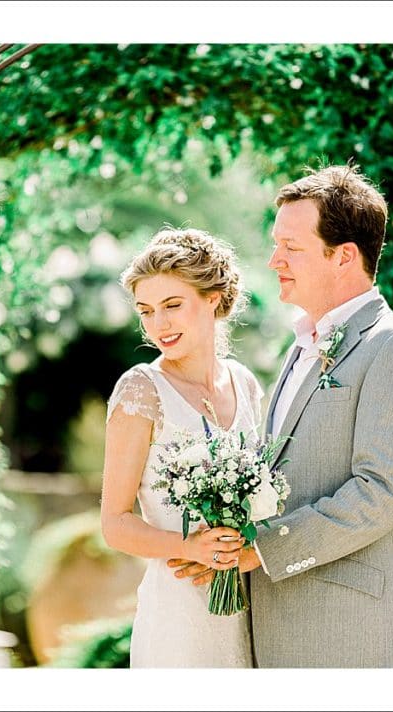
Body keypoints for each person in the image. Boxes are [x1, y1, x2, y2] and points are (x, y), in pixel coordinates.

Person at [168, 164, 393, 667]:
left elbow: (381, 493)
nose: (274, 260)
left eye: (291, 247)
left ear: (343, 256)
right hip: (277, 629)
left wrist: (263, 550)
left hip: (353, 636)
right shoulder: (299, 349)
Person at [100, 227, 265, 667]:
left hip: (253, 607)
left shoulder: (246, 384)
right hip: (178, 617)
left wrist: (250, 546)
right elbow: (114, 523)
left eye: (172, 305)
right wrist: (190, 546)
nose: (159, 325)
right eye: (147, 311)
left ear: (213, 297)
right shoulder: (141, 390)